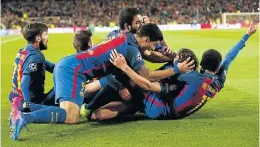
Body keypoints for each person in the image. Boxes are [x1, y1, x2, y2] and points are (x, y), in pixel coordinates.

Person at [9, 23, 194, 140]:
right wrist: (176, 69)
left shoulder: (124, 38)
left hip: (70, 65)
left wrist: (169, 57)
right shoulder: (131, 48)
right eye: (153, 44)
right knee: (71, 117)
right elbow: (146, 75)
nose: (153, 49)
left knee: (66, 113)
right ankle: (24, 117)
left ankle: (23, 108)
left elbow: (147, 55)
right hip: (74, 71)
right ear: (145, 39)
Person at [110, 23, 257, 119]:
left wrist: (126, 67)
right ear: (217, 68)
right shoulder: (219, 81)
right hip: (176, 112)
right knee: (164, 72)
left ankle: (117, 82)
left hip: (161, 109)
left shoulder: (193, 77)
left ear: (202, 66)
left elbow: (151, 80)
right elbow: (229, 58)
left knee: (134, 79)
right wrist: (247, 36)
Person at [9, 22, 55, 112]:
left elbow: (52, 67)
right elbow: (23, 84)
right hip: (33, 101)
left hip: (15, 98)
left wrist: (67, 69)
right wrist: (27, 104)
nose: (47, 38)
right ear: (38, 38)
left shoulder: (23, 51)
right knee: (62, 85)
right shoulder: (36, 56)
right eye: (45, 34)